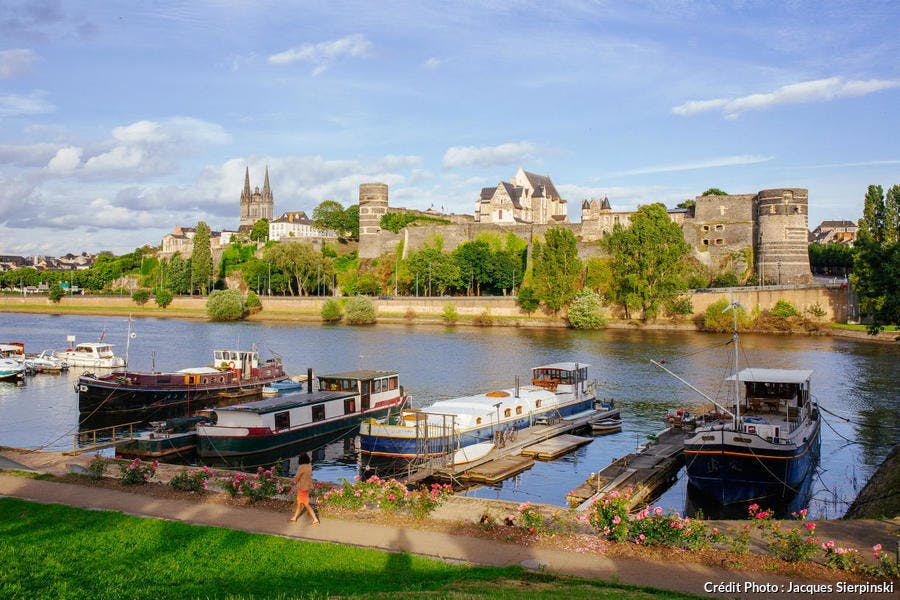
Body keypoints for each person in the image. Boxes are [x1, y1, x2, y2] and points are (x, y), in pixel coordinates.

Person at [290, 453, 319, 525]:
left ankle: (315, 519)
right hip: (307, 486)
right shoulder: (309, 466)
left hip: (302, 487)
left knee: (305, 504)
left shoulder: (301, 467)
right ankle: (294, 517)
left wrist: (293, 481)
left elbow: (297, 477)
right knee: (300, 502)